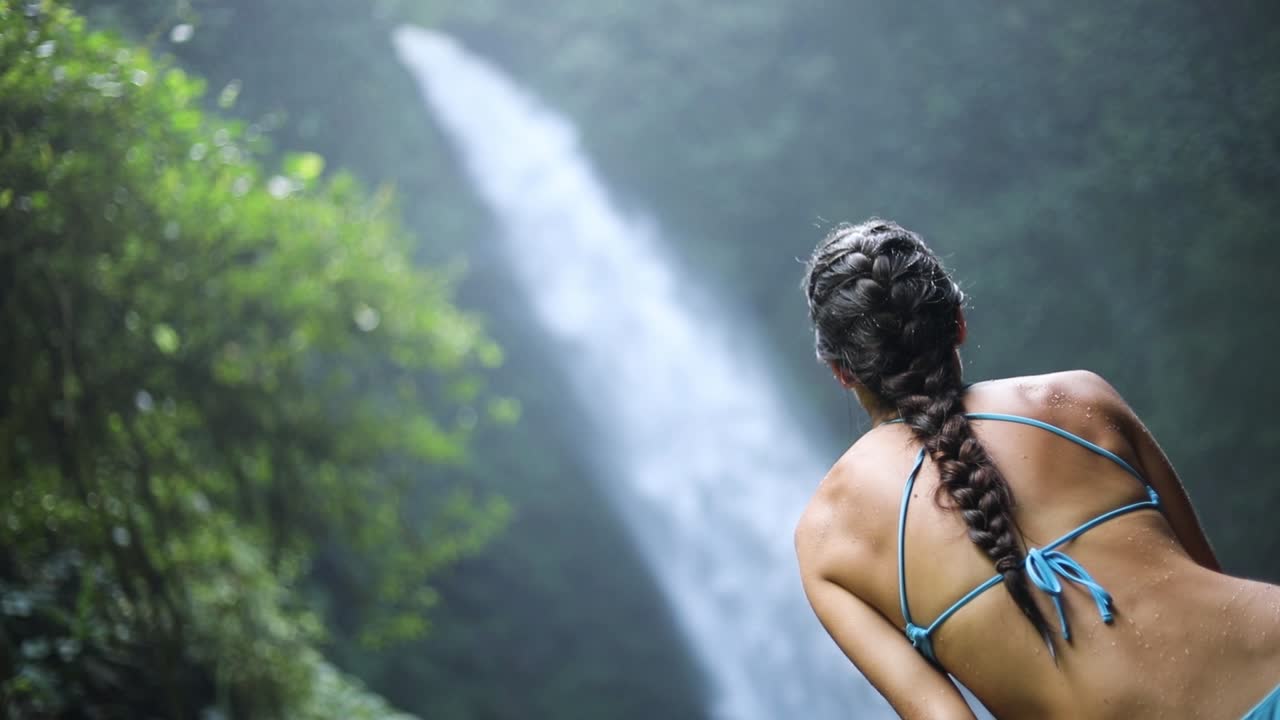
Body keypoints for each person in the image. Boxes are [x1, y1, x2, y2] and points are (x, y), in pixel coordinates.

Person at [794, 219, 1280, 719]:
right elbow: (1205, 568)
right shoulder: (1080, 397)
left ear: (841, 371)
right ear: (958, 322)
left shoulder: (829, 536)